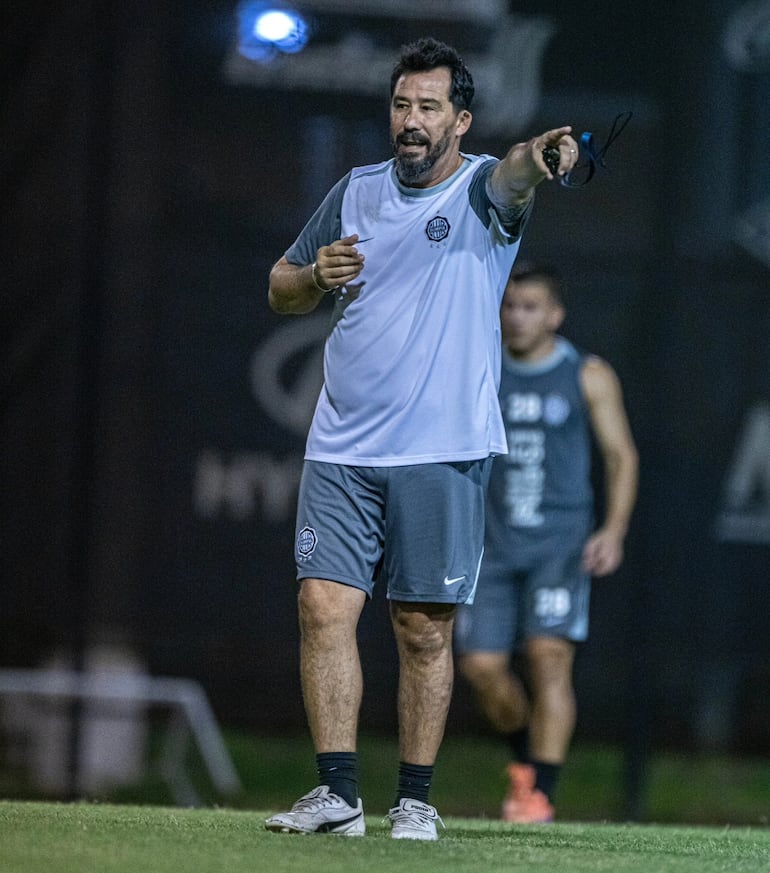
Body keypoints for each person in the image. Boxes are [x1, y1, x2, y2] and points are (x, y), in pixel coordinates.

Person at [264, 37, 579, 840]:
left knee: (422, 627)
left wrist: (546, 152)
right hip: (341, 446)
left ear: (459, 119)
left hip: (441, 448)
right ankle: (337, 795)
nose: (411, 121)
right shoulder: (355, 191)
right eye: (402, 105)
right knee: (321, 606)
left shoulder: (482, 191)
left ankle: (415, 798)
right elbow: (281, 287)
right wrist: (313, 277)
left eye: (429, 107)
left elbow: (518, 167)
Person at [455, 263, 639, 823]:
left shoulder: (587, 374)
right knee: (482, 668)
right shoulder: (481, 367)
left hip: (559, 545)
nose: (517, 317)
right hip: (490, 545)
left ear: (555, 315)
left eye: (530, 307)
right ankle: (524, 761)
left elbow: (620, 455)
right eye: (510, 305)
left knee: (548, 657)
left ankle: (541, 794)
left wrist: (613, 529)